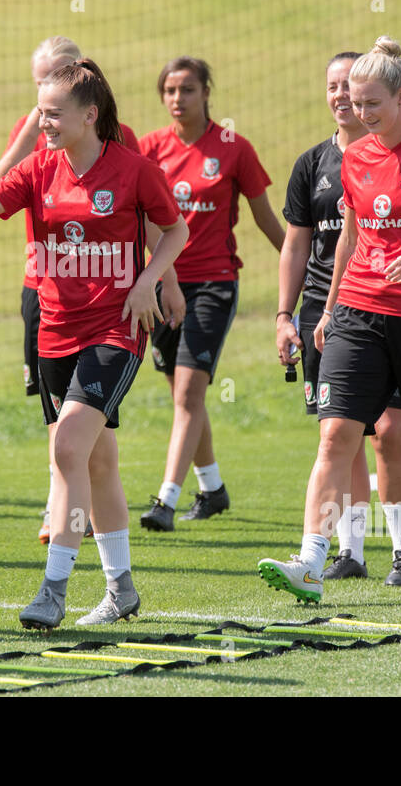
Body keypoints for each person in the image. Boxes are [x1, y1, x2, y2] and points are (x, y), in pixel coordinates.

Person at [0, 58, 187, 628]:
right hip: (53, 332)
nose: (43, 122)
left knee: (69, 451)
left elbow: (175, 229)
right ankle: (121, 589)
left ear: (89, 115)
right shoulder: (37, 167)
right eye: (40, 111)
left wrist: (149, 279)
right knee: (97, 462)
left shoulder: (133, 169)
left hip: (114, 330)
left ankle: (53, 590)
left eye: (53, 113)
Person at [257, 36, 401, 603]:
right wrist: (328, 309)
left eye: (372, 103)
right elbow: (350, 242)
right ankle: (312, 561)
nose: (361, 113)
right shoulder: (353, 157)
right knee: (335, 434)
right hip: (357, 309)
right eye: (355, 104)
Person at [275, 52, 401, 583]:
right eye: (333, 86)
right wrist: (285, 314)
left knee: (389, 429)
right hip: (326, 309)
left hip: (393, 305)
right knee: (340, 434)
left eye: (350, 88)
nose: (342, 97)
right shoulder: (312, 164)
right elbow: (295, 246)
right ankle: (349, 552)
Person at [0, 36, 138, 543]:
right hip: (47, 298)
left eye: (53, 86)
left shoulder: (121, 149)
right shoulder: (37, 146)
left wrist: (157, 283)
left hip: (110, 312)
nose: (43, 103)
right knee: (72, 441)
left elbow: (158, 220)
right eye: (37, 88)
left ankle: (63, 542)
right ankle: (82, 530)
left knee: (82, 444)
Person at [137, 57, 284, 532]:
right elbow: (136, 219)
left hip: (214, 285)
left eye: (188, 89)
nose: (179, 99)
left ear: (206, 93)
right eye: (171, 90)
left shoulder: (234, 148)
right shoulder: (149, 149)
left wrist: (305, 270)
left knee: (188, 393)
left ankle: (165, 500)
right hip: (162, 286)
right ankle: (213, 488)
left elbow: (266, 219)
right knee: (185, 398)